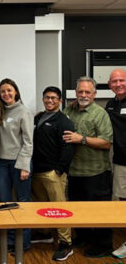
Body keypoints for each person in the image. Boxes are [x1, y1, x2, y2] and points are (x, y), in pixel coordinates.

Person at [63, 76, 113, 257]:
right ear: (76, 93)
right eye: (80, 91)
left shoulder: (100, 114)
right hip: (74, 170)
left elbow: (106, 142)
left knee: (100, 211)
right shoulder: (69, 110)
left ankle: (104, 245)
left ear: (94, 94)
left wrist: (81, 139)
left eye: (87, 92)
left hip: (96, 171)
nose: (83, 95)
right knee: (77, 208)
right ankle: (84, 237)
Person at [32, 86, 75, 261]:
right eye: (47, 97)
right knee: (43, 206)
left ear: (60, 101)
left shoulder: (63, 121)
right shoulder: (39, 117)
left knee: (59, 208)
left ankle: (66, 243)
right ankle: (45, 232)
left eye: (53, 98)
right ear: (43, 99)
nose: (50, 101)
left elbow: (68, 147)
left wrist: (59, 169)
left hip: (53, 173)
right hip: (37, 171)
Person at [0, 78, 33, 253]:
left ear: (15, 91)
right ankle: (10, 240)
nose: (6, 94)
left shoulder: (24, 111)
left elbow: (28, 142)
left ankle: (23, 243)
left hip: (19, 163)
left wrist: (25, 166)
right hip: (1, 163)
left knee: (23, 203)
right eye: (3, 91)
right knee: (5, 202)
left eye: (9, 90)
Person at [106, 69, 126, 258]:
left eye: (122, 80)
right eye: (115, 81)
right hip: (120, 162)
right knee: (122, 202)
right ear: (109, 84)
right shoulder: (110, 105)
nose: (118, 84)